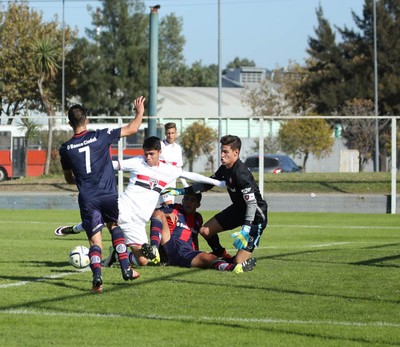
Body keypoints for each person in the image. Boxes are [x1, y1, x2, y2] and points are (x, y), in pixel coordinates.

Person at [56, 136, 226, 268]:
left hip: (138, 222)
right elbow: (111, 165)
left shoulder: (169, 171)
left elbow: (190, 175)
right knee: (98, 221)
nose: (148, 157)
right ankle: (75, 229)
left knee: (144, 261)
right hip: (123, 207)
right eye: (146, 153)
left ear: (159, 152)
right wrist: (84, 167)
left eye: (151, 154)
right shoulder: (137, 162)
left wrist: (218, 182)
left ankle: (115, 255)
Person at [59, 96, 145, 293]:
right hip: (108, 194)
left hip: (88, 198)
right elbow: (132, 128)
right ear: (87, 120)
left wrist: (80, 181)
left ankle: (97, 278)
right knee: (114, 226)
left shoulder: (66, 149)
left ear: (70, 123)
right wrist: (139, 111)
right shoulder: (101, 136)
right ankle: (127, 270)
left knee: (94, 241)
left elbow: (68, 179)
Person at [164, 134, 268, 266]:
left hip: (255, 217)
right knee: (205, 231)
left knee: (238, 262)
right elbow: (208, 183)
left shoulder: (241, 174)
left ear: (236, 153)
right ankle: (221, 254)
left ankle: (234, 260)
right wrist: (181, 191)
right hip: (238, 210)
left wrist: (246, 228)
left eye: (225, 152)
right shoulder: (225, 169)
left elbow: (252, 204)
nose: (222, 155)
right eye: (221, 151)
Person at [142, 192, 256, 273]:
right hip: (169, 245)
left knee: (208, 258)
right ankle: (154, 250)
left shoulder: (198, 218)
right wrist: (166, 214)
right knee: (158, 214)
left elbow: (193, 238)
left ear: (198, 205)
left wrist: (197, 251)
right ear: (182, 201)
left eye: (192, 200)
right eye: (186, 198)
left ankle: (231, 265)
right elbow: (150, 213)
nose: (188, 202)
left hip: (184, 252)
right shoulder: (174, 208)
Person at [159, 122, 188, 205]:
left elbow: (179, 168)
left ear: (175, 133)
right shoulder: (159, 145)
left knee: (168, 207)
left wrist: (184, 183)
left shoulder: (178, 148)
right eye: (168, 133)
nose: (170, 136)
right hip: (161, 181)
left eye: (172, 133)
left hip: (172, 182)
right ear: (165, 133)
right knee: (167, 205)